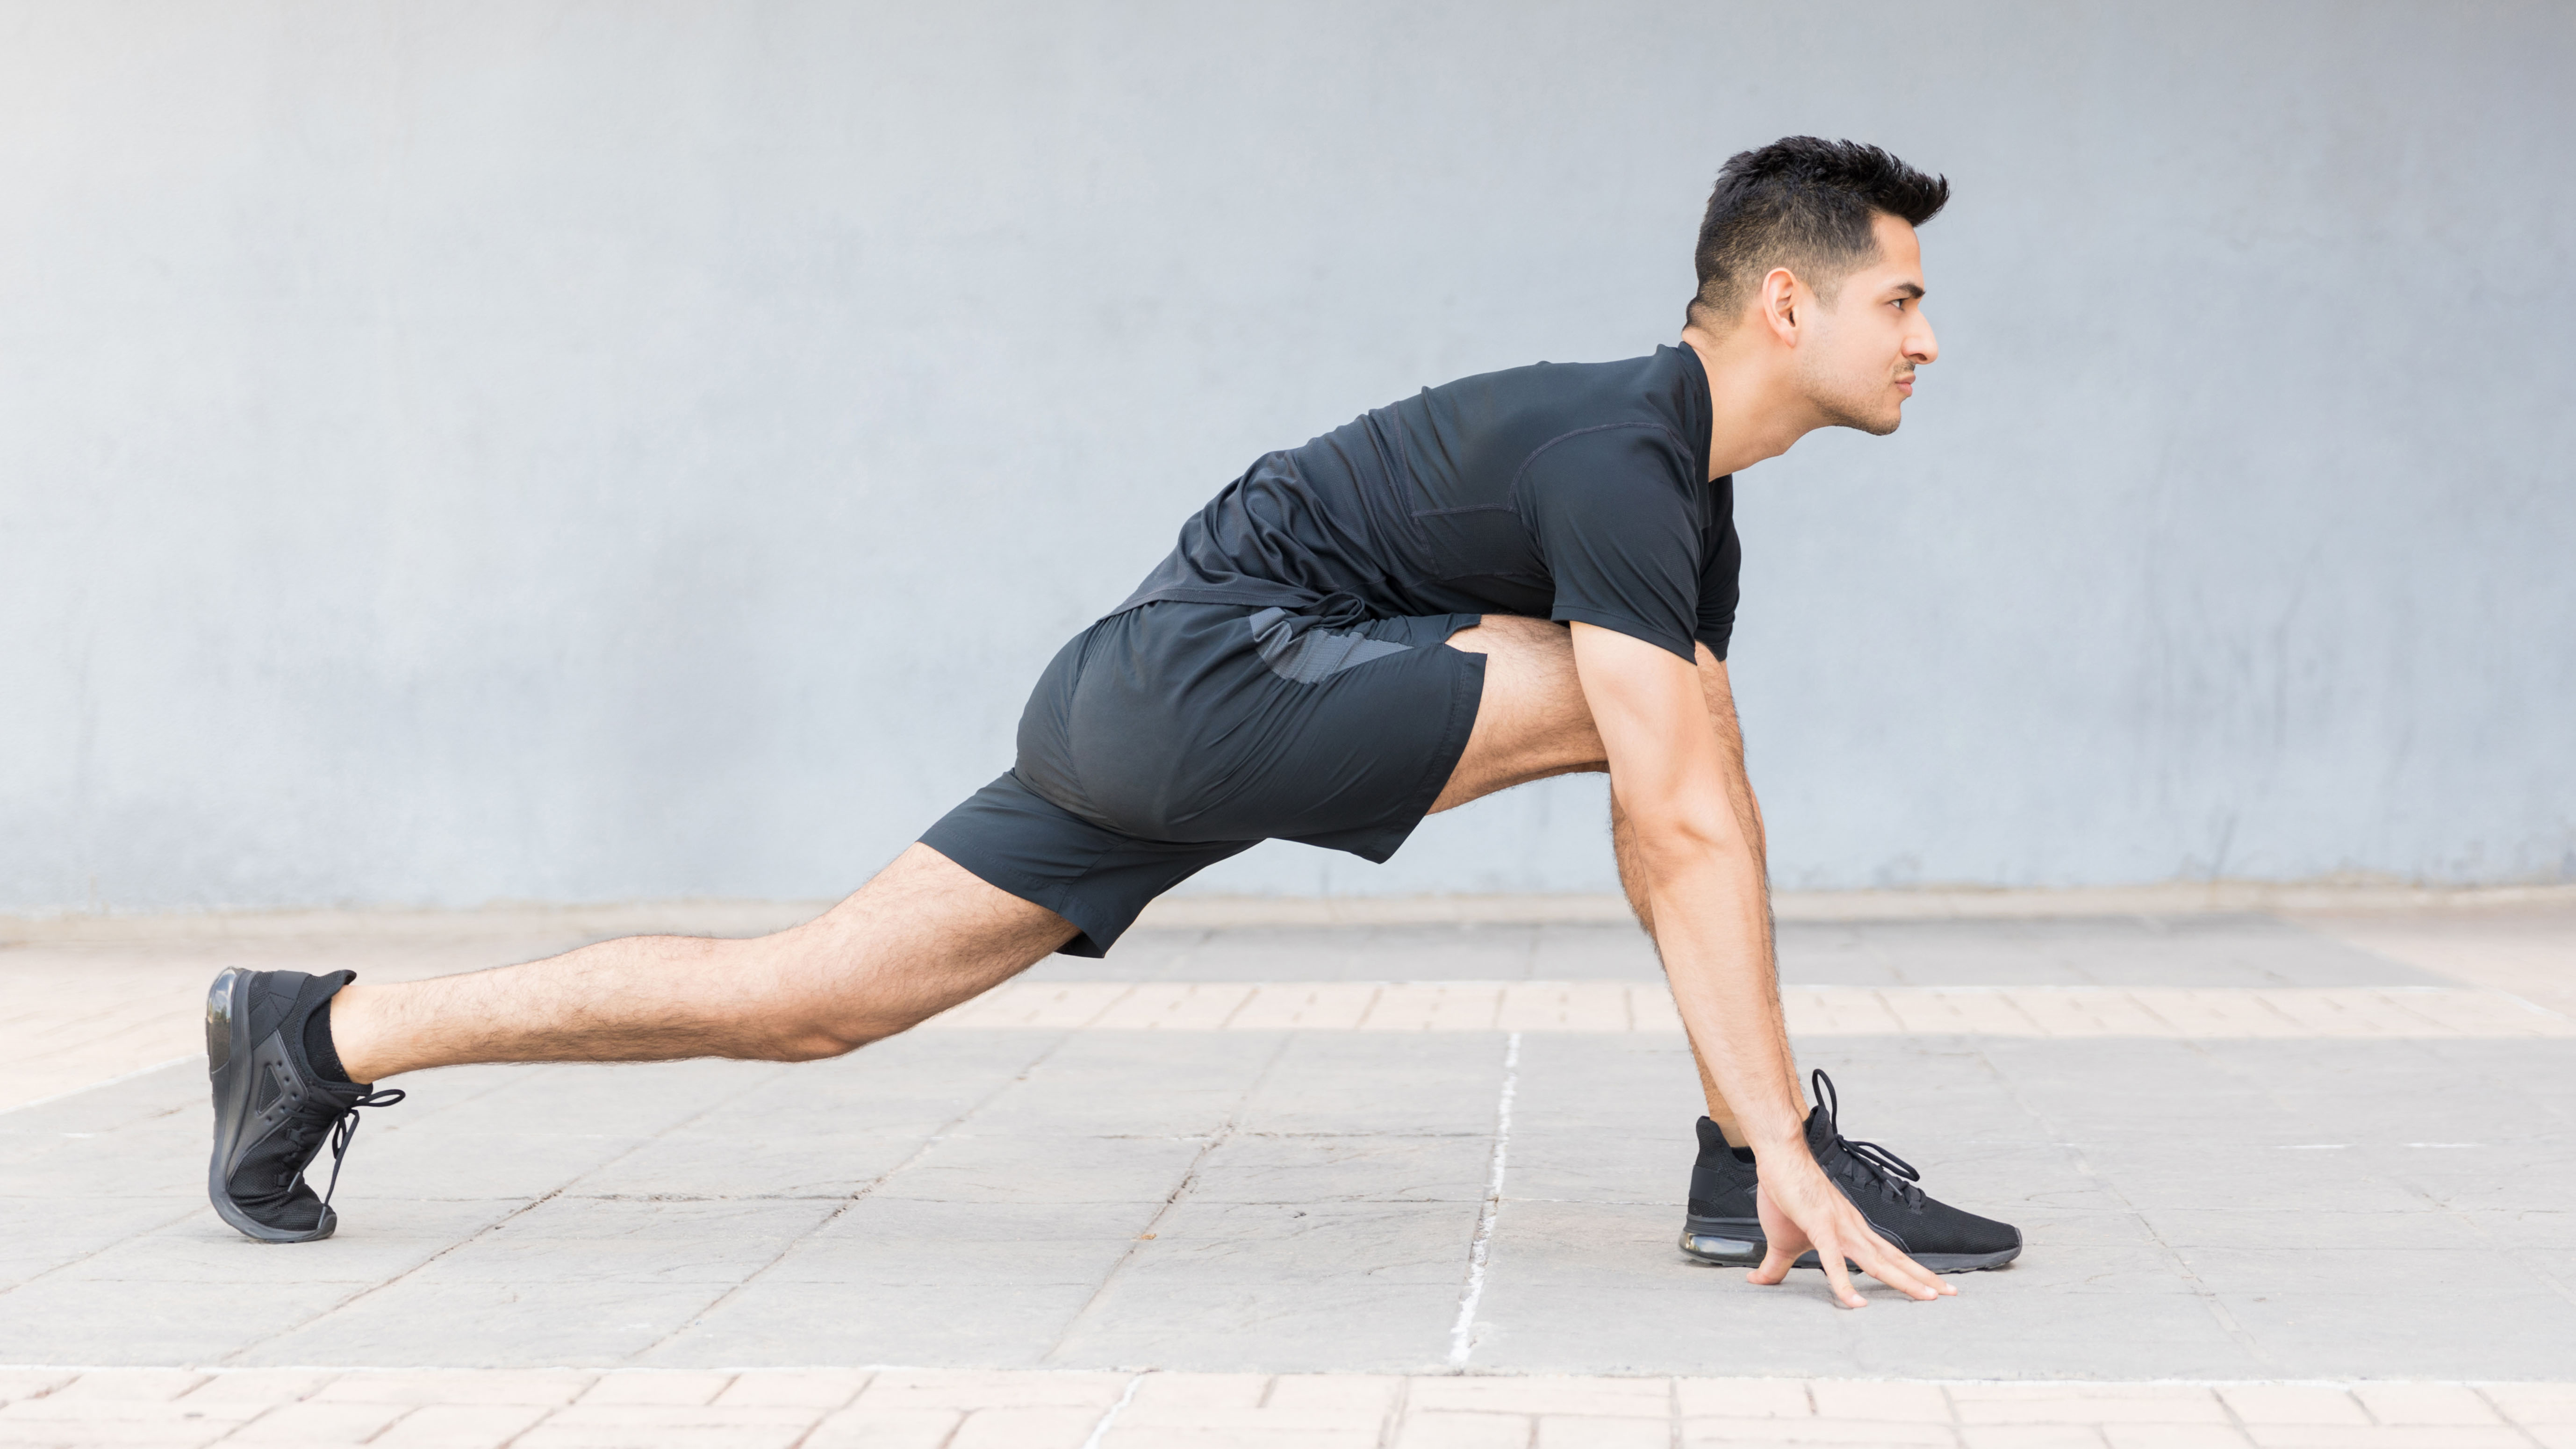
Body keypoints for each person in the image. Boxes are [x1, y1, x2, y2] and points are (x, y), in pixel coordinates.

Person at [204, 136, 2019, 1308]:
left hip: (1158, 689)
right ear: (1786, 300)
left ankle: (317, 1035)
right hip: (1202, 682)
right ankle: (1749, 1146)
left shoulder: (1670, 498)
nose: (1926, 340)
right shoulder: (1624, 461)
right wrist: (1776, 1121)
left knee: (808, 995)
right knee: (1676, 733)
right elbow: (1680, 817)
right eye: (1902, 297)